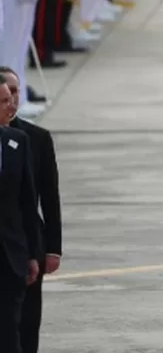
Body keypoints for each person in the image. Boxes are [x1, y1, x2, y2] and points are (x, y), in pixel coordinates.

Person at [0, 67, 62, 353]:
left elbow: (45, 197)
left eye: (14, 92)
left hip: (24, 244)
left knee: (25, 322)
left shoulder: (32, 138)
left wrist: (51, 248)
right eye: (5, 96)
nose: (11, 101)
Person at [0, 73, 41, 353]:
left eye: (9, 99)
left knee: (8, 336)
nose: (11, 105)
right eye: (3, 101)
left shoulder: (18, 141)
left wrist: (33, 254)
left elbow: (28, 203)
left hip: (9, 259)